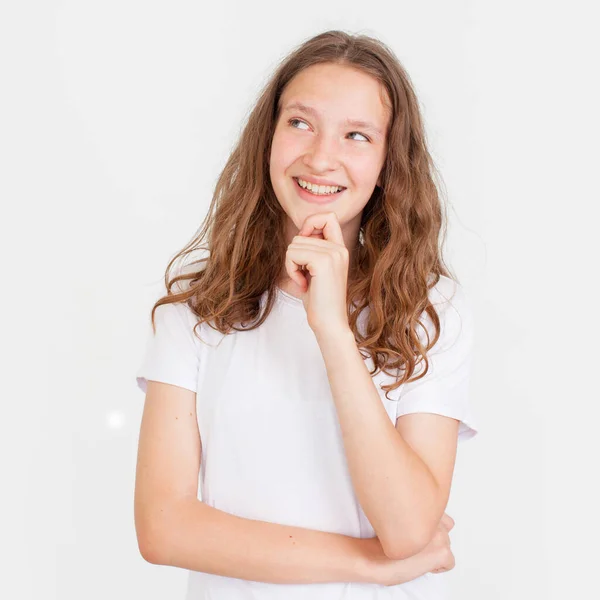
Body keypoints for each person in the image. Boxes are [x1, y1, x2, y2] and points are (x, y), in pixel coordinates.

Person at [134, 29, 479, 599]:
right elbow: (164, 528)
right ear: (267, 136)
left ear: (389, 159)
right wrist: (370, 566)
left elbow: (408, 527)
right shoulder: (197, 311)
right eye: (300, 123)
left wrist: (333, 331)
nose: (321, 156)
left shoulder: (432, 309)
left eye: (357, 135)